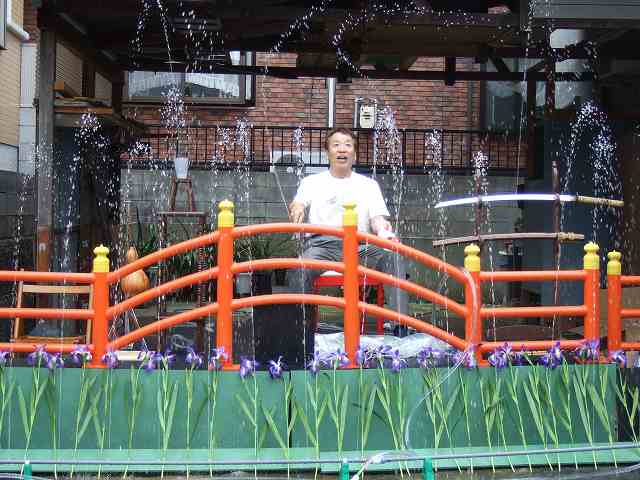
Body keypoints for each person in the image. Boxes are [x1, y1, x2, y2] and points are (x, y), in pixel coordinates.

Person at [287, 127, 408, 331]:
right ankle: (298, 330)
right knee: (299, 268)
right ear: (328, 152)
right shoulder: (311, 182)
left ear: (355, 153)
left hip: (360, 247)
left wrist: (384, 231)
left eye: (347, 145)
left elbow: (377, 218)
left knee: (393, 257)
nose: (342, 149)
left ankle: (400, 324)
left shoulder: (369, 185)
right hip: (322, 246)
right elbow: (298, 203)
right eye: (336, 145)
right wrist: (296, 210)